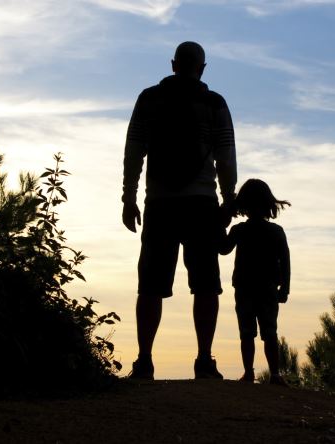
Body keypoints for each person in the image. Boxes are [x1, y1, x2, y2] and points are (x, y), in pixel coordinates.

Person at [122, 41, 237, 380]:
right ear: (202, 68)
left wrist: (128, 197)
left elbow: (133, 151)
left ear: (173, 64)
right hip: (202, 204)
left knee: (150, 285)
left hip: (159, 203)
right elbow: (226, 156)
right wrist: (229, 199)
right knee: (205, 284)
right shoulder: (214, 103)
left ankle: (144, 360)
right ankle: (204, 359)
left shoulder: (149, 99)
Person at [220, 179, 290, 385]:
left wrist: (221, 224)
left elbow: (222, 249)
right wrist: (285, 287)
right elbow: (285, 261)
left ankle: (250, 372)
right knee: (269, 331)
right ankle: (274, 374)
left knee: (247, 332)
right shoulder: (276, 232)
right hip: (266, 288)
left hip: (245, 287)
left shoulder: (239, 230)